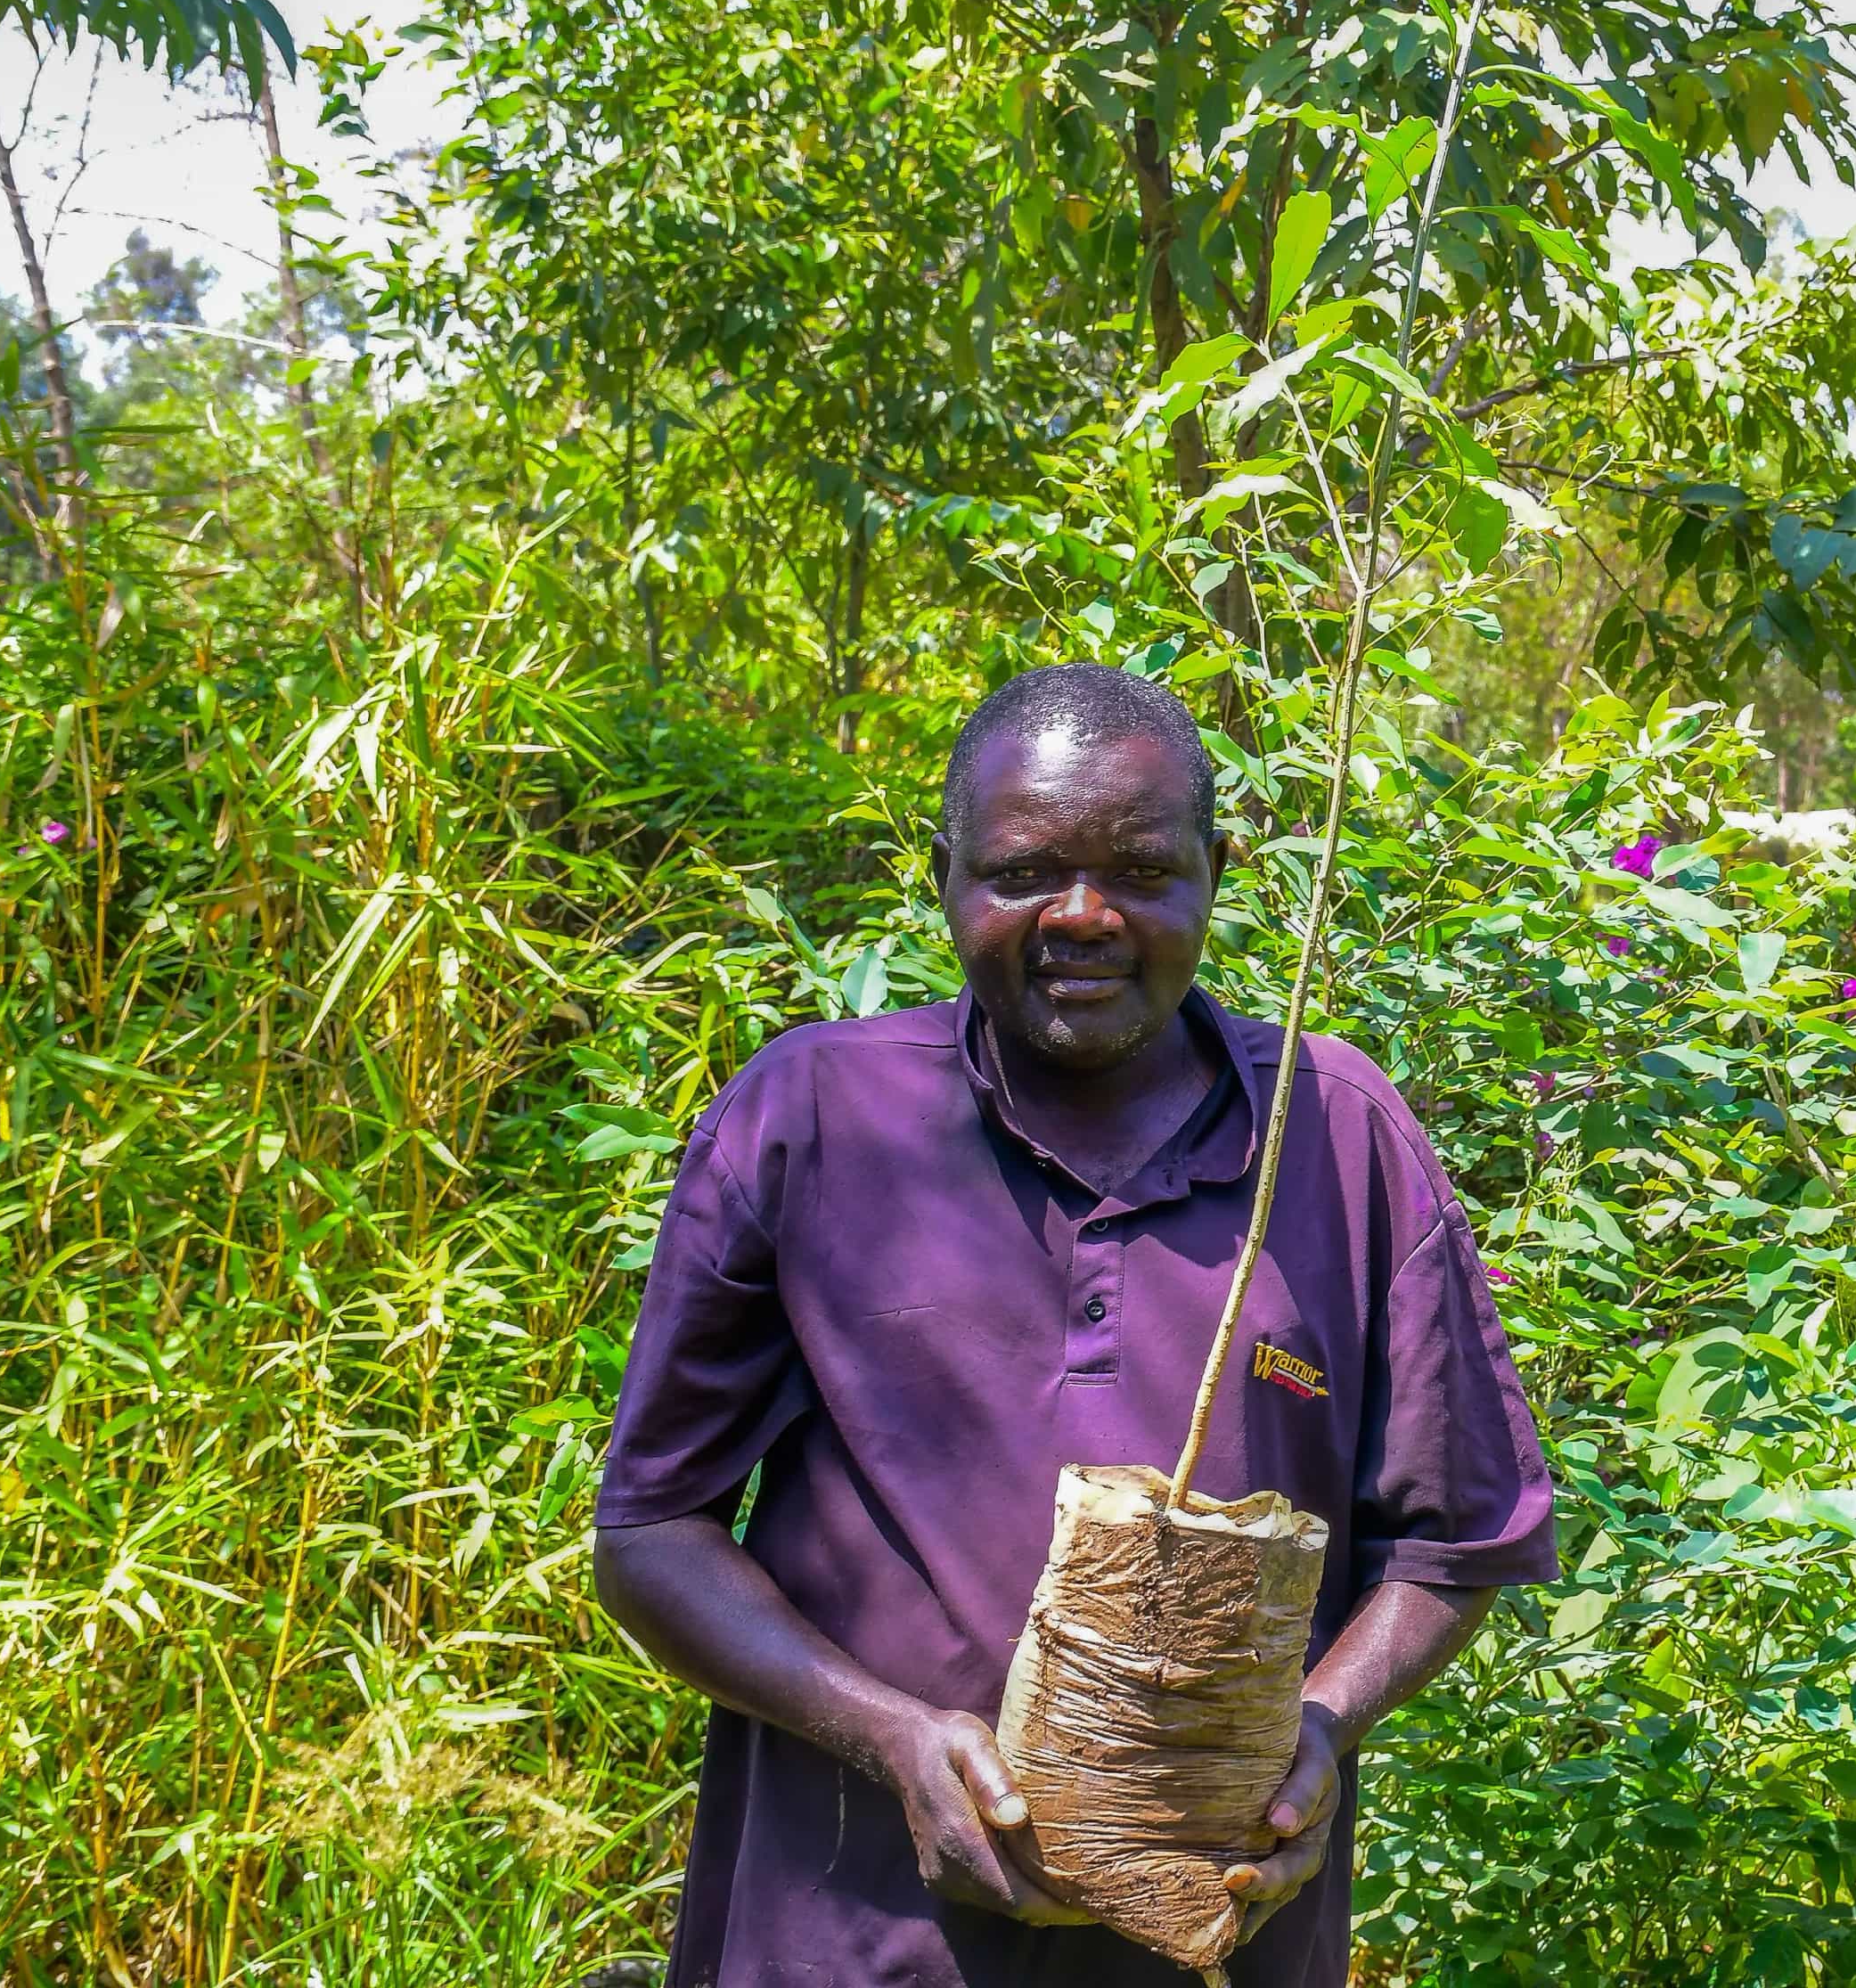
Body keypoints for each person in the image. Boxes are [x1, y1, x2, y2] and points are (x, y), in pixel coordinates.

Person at [593, 663, 1554, 1987]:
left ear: (1218, 868)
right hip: (848, 1940)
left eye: (1145, 872)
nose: (1085, 916)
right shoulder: (814, 1118)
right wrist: (892, 1738)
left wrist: (1320, 1732)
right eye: (1026, 871)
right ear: (945, 877)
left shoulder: (1338, 1137)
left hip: (1218, 1946)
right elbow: (651, 1535)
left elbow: (1455, 1541)